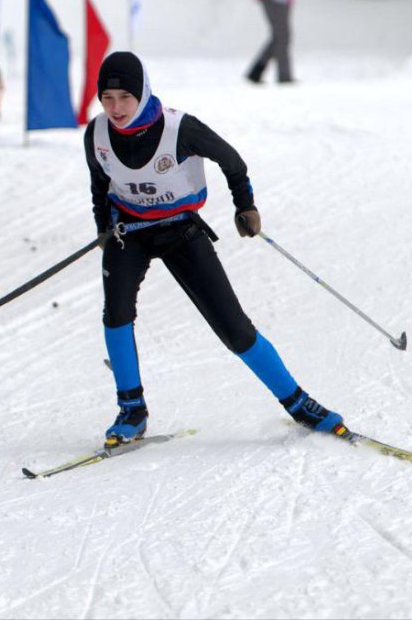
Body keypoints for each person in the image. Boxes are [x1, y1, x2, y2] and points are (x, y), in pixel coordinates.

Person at [85, 51, 344, 446]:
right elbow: (99, 184)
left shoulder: (179, 129)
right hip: (129, 232)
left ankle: (298, 403)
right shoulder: (97, 134)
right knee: (116, 314)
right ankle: (131, 410)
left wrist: (245, 205)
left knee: (233, 328)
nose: (116, 108)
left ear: (142, 93)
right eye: (108, 97)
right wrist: (104, 227)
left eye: (125, 97)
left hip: (179, 231)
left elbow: (232, 161)